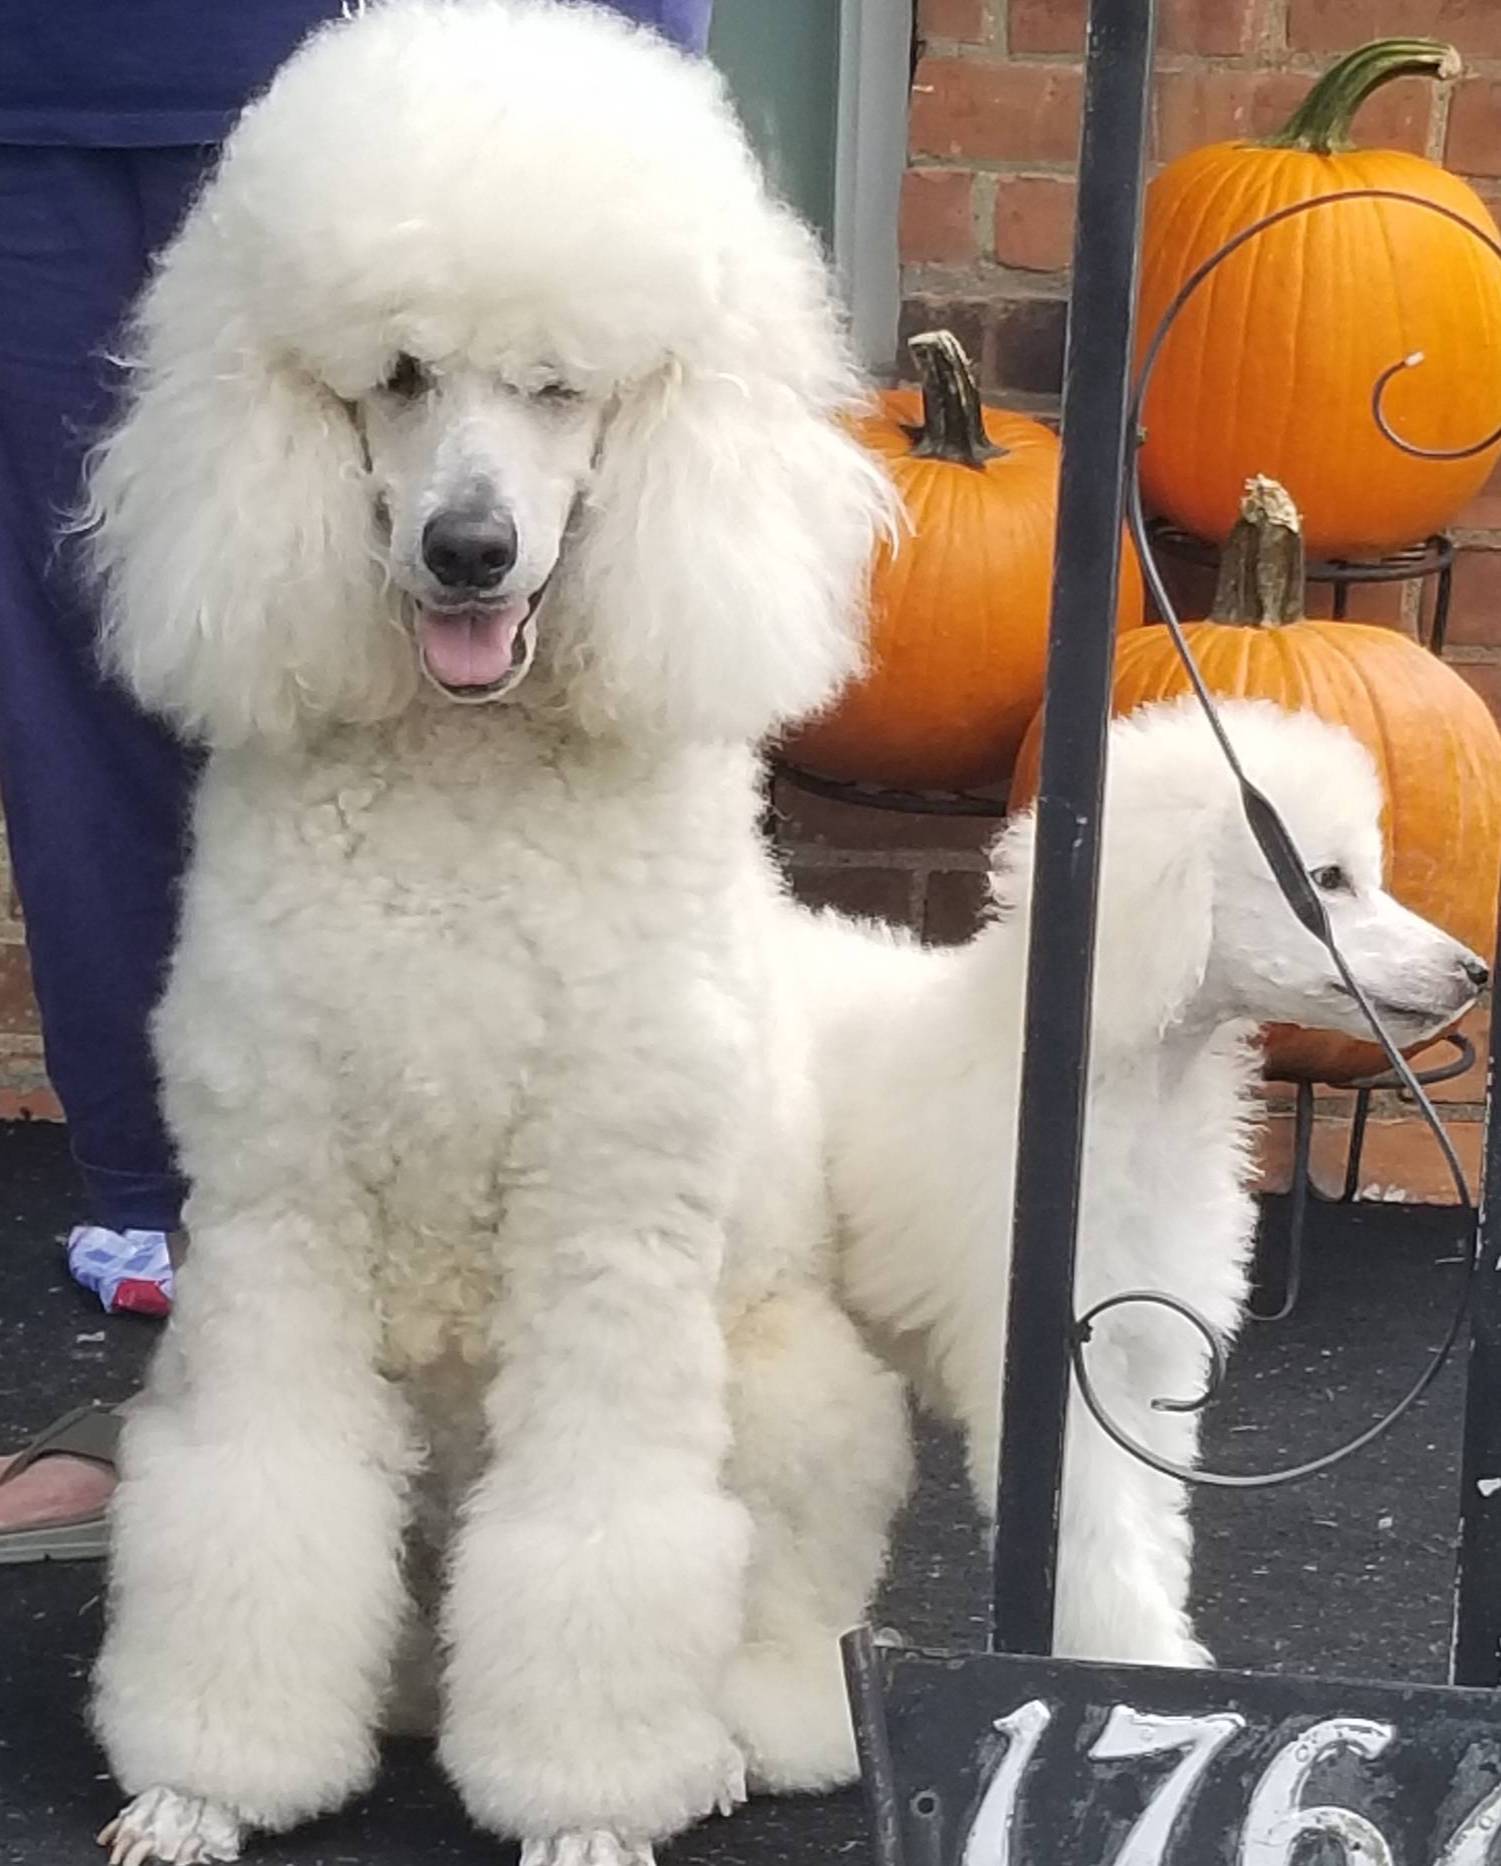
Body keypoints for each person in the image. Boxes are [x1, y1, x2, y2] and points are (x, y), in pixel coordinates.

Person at [0, 0, 714, 1561]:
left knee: (599, 894)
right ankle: (196, 1373)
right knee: (111, 696)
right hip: (53, 76)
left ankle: (559, 1455)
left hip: (448, 61)